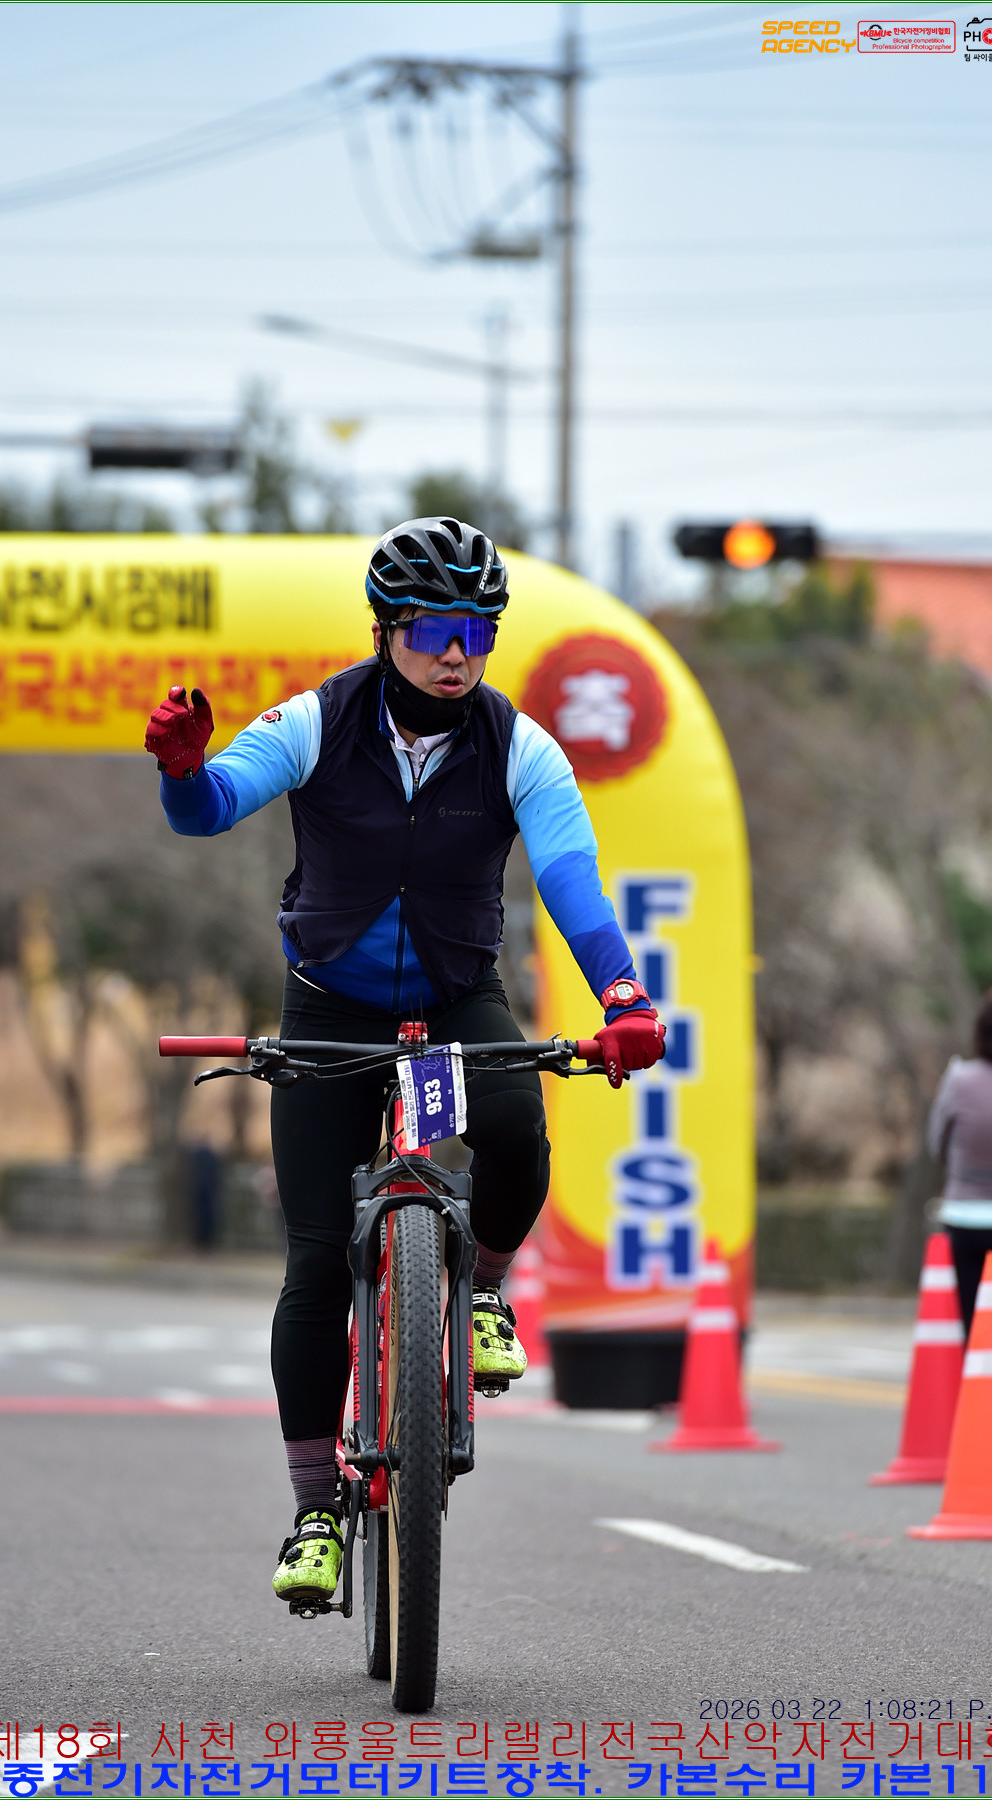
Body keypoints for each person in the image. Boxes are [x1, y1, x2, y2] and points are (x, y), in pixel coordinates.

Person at [144, 517, 665, 1605]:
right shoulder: (315, 720)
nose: (456, 652)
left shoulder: (520, 746)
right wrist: (184, 772)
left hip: (453, 996)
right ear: (385, 629)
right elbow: (209, 811)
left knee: (516, 1127)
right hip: (330, 1000)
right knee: (315, 1266)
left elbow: (569, 877)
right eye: (432, 629)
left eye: (477, 629)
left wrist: (622, 994)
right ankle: (315, 1512)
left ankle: (484, 1292)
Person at [927, 985, 992, 1384]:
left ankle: (980, 1404)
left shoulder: (959, 1080)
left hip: (967, 1220)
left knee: (975, 1327)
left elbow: (937, 1144)